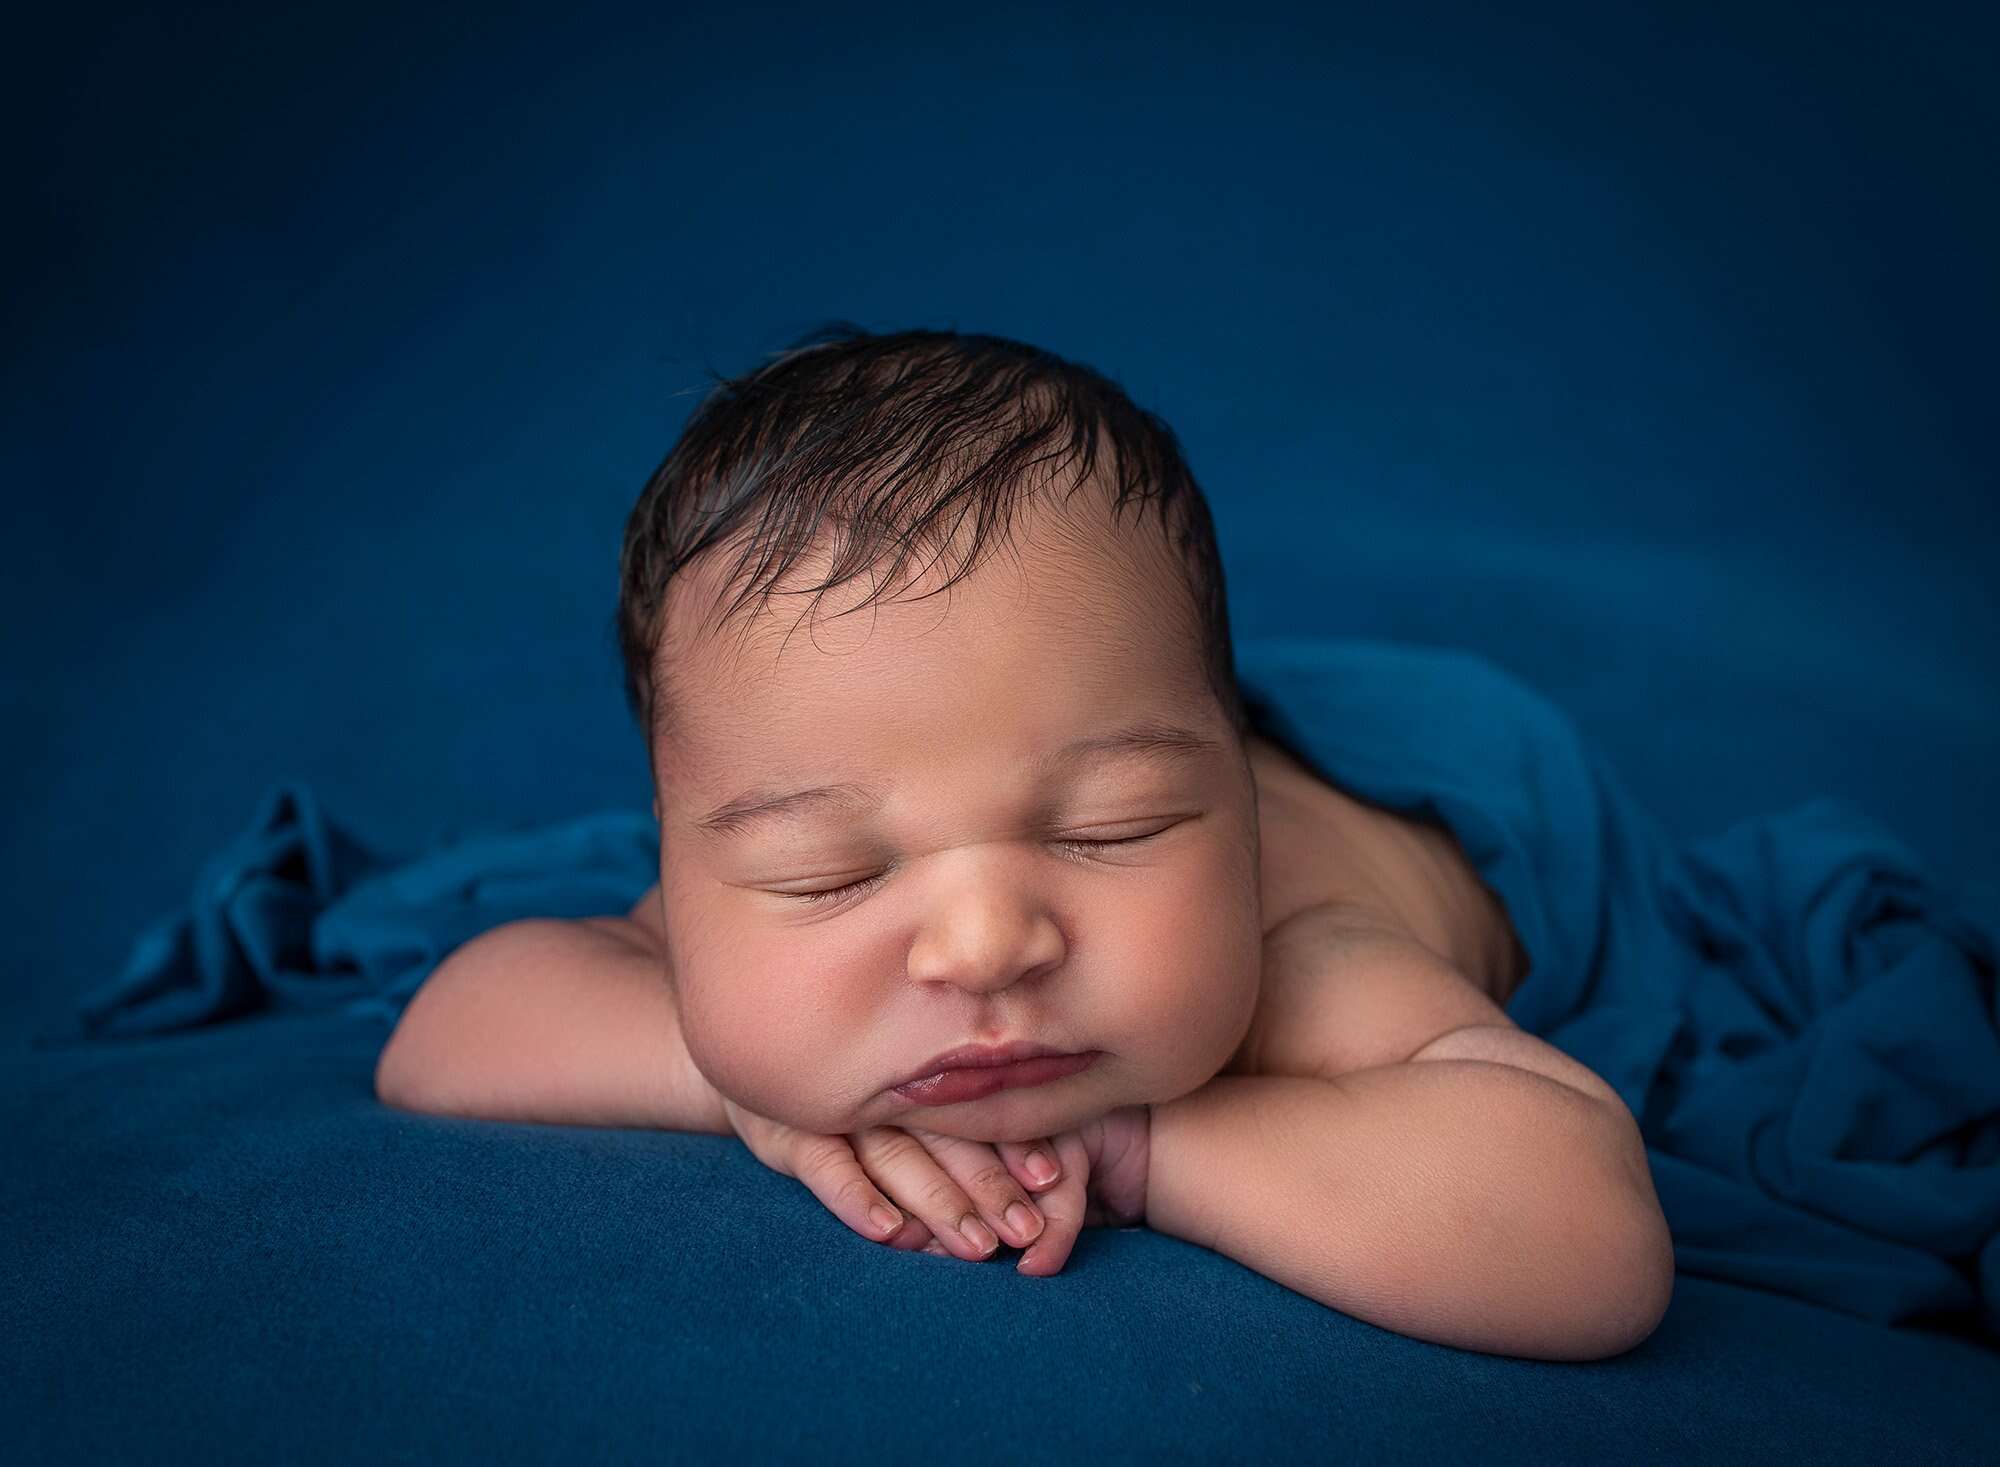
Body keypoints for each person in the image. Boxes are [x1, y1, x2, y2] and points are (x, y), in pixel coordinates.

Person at [374, 323, 1671, 1360]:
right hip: (1064, 714)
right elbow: (448, 1032)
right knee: (1023, 718)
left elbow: (1589, 1243)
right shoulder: (754, 880)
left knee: (1067, 708)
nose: (987, 943)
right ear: (683, 864)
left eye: (1114, 834)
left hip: (1462, 774)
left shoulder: (1303, 952)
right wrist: (747, 1084)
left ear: (1233, 808)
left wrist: (1147, 1149)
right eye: (830, 873)